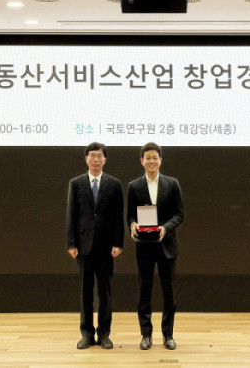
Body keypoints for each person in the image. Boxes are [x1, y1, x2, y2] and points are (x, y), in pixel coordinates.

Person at [66, 142, 124, 350]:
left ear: (105, 159)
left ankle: (104, 334)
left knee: (105, 293)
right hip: (83, 246)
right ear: (86, 158)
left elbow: (118, 216)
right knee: (86, 293)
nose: (96, 160)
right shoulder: (76, 183)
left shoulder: (114, 184)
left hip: (106, 247)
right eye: (92, 155)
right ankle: (87, 334)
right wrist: (71, 243)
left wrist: (118, 242)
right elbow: (72, 214)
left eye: (100, 156)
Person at [127, 142, 184, 350]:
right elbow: (130, 215)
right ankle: (146, 334)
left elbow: (179, 214)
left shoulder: (172, 183)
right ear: (141, 161)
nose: (151, 161)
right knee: (144, 291)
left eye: (155, 158)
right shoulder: (134, 186)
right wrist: (132, 224)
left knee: (169, 293)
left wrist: (165, 228)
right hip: (144, 246)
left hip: (167, 245)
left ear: (160, 160)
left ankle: (168, 334)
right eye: (147, 158)